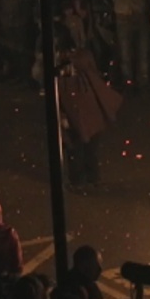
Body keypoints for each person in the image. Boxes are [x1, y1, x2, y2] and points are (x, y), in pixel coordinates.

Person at [59, 48, 123, 192]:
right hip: (81, 113)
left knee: (84, 148)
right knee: (80, 148)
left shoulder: (77, 62)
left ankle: (87, 179)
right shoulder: (75, 64)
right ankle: (84, 180)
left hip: (83, 112)